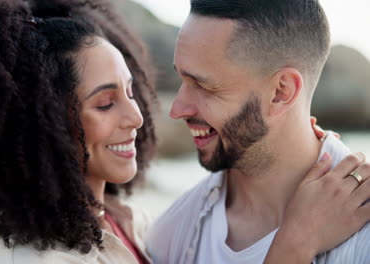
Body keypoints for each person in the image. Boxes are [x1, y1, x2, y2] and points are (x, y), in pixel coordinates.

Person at [0, 0, 369, 263]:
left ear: (282, 94)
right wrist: (292, 246)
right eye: (105, 102)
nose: (145, 117)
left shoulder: (139, 229)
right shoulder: (57, 256)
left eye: (130, 91)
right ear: (39, 126)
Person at [146, 0, 370, 263]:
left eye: (204, 86)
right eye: (182, 80)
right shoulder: (173, 232)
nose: (177, 109)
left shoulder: (362, 238)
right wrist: (293, 245)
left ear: (280, 93)